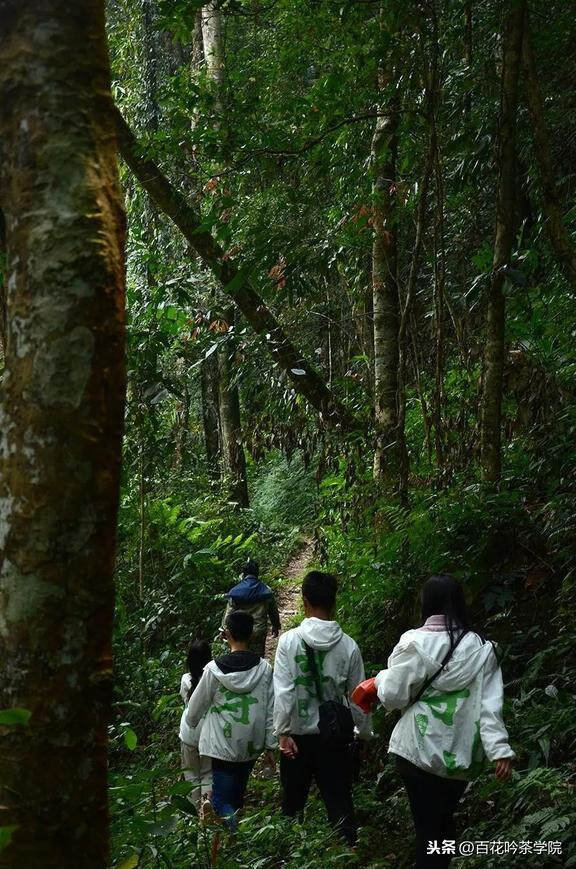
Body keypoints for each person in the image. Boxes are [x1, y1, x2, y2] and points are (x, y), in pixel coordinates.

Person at [374, 574, 515, 868]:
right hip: (457, 756)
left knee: (427, 832)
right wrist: (499, 749)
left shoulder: (414, 642)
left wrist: (380, 679)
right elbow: (490, 705)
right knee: (443, 827)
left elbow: (392, 696)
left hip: (415, 751)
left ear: (426, 604)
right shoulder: (481, 648)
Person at [273, 570, 372, 846]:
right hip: (334, 737)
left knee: (292, 806)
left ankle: (289, 855)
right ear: (334, 601)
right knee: (339, 803)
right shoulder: (349, 646)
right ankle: (346, 853)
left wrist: (282, 733)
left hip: (296, 739)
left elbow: (283, 690)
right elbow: (359, 698)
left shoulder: (289, 642)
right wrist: (363, 736)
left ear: (304, 601)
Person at [186, 611, 276, 829]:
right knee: (237, 793)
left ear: (227, 634)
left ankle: (234, 833)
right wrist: (271, 746)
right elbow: (271, 709)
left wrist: (194, 721)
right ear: (252, 634)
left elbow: (193, 713)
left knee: (220, 801)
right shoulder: (264, 669)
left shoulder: (213, 670)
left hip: (221, 745)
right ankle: (232, 835)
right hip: (250, 745)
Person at [179, 639, 213, 814]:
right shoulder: (213, 679)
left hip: (188, 733)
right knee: (208, 772)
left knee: (191, 775)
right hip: (207, 734)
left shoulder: (186, 680)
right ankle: (207, 804)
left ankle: (194, 811)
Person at [220, 559, 280, 658]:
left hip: (239, 633)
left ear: (244, 574)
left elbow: (228, 614)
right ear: (257, 574)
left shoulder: (235, 591)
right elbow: (273, 611)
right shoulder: (266, 590)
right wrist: (276, 626)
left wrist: (224, 630)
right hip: (258, 632)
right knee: (257, 659)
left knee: (238, 658)